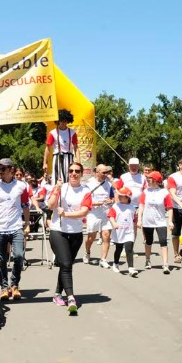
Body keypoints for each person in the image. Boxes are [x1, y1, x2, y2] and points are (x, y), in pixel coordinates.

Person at [45, 161, 91, 315]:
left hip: (76, 234)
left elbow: (84, 212)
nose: (73, 174)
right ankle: (71, 298)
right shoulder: (62, 188)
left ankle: (57, 293)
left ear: (82, 174)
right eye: (71, 171)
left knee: (66, 265)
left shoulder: (86, 191)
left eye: (77, 171)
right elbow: (50, 206)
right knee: (65, 263)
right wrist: (57, 189)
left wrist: (66, 214)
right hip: (58, 231)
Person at [0, 158, 30, 300]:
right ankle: (4, 287)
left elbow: (26, 206)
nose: (0, 172)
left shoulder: (21, 186)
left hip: (16, 227)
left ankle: (14, 284)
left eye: (3, 169)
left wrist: (27, 223)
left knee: (19, 256)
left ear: (11, 169)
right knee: (1, 259)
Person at [137, 171, 173, 273]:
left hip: (160, 221)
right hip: (147, 221)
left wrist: (170, 221)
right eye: (147, 178)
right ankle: (148, 260)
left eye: (150, 178)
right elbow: (141, 205)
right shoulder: (145, 192)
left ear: (156, 180)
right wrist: (139, 219)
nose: (148, 179)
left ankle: (165, 264)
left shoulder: (164, 192)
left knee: (163, 241)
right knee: (148, 241)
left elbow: (170, 208)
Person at [83, 164, 114, 267]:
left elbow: (113, 197)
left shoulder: (109, 184)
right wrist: (95, 203)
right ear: (97, 172)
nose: (106, 174)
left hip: (106, 213)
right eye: (104, 172)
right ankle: (87, 252)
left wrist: (111, 200)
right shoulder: (89, 184)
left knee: (106, 236)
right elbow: (84, 200)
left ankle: (103, 259)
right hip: (94, 214)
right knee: (91, 237)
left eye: (107, 172)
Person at [42, 109, 80, 184]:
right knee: (57, 178)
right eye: (61, 120)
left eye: (65, 121)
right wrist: (45, 163)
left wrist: (78, 161)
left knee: (69, 177)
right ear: (58, 121)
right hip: (57, 157)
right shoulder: (52, 133)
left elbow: (76, 147)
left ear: (68, 121)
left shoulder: (72, 132)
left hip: (69, 157)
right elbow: (48, 148)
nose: (63, 123)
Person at [108, 187, 138, 276]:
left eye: (122, 196)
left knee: (129, 249)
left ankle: (131, 268)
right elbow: (111, 216)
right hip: (119, 231)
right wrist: (114, 223)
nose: (120, 197)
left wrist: (137, 223)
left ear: (128, 197)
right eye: (119, 196)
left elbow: (133, 219)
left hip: (129, 232)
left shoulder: (132, 207)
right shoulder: (115, 206)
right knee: (119, 249)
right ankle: (116, 263)